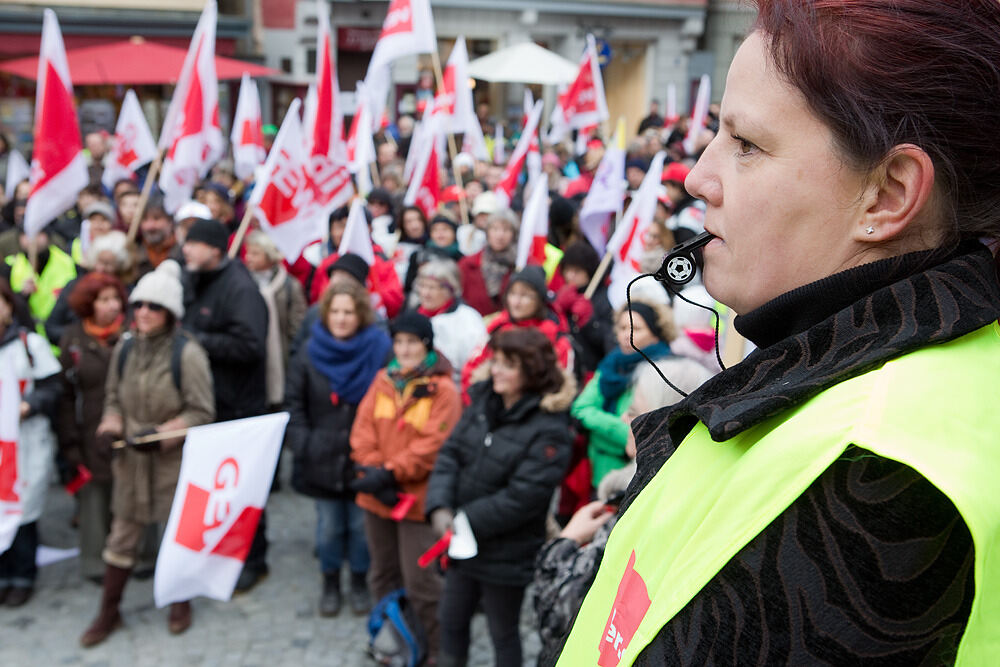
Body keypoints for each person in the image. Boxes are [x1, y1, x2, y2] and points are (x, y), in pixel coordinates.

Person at [557, 2, 1000, 663]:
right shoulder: (917, 374)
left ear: (887, 195)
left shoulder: (872, 477)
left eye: (746, 145)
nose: (697, 176)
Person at [533, 361, 710, 663]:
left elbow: (560, 617)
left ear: (665, 419)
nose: (623, 420)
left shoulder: (638, 506)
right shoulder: (686, 491)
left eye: (633, 412)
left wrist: (566, 540)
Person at [79, 260, 214, 646]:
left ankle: (179, 601)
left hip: (172, 464)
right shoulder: (124, 349)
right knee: (121, 537)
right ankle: (109, 611)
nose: (142, 313)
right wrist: (109, 428)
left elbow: (202, 412)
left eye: (153, 307)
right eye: (138, 305)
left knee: (177, 532)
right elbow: (112, 400)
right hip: (131, 464)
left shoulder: (188, 354)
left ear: (169, 313)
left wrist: (162, 434)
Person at [426, 328, 574, 667]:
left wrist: (466, 519)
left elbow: (526, 496)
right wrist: (439, 506)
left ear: (531, 371)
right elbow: (451, 455)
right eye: (495, 361)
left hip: (507, 550)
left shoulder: (549, 427)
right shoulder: (482, 402)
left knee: (502, 631)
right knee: (451, 620)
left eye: (508, 365)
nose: (496, 370)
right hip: (463, 543)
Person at [350, 311, 462, 658]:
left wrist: (388, 472)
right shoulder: (383, 380)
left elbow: (432, 447)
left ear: (426, 344)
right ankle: (395, 644)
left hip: (417, 502)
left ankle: (434, 655)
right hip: (378, 498)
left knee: (422, 585)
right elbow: (362, 432)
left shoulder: (443, 391)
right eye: (399, 341)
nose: (404, 349)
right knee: (382, 575)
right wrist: (374, 473)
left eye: (412, 342)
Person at [285, 280, 391, 617]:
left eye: (348, 312)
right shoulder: (309, 352)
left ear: (360, 314)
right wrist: (305, 445)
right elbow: (294, 405)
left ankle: (359, 581)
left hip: (364, 459)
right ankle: (330, 582)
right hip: (322, 458)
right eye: (335, 311)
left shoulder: (379, 350)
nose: (342, 319)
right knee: (329, 528)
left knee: (361, 529)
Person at [181, 218, 270, 592]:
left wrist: (196, 341)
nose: (185, 249)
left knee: (241, 488)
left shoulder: (239, 288)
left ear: (214, 250)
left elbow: (251, 346)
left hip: (238, 406)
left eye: (193, 244)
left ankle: (253, 558)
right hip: (210, 403)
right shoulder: (196, 279)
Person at [571, 298, 708, 489]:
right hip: (599, 469)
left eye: (637, 328)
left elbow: (648, 432)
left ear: (656, 331)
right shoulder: (611, 364)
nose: (627, 335)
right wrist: (623, 431)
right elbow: (580, 408)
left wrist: (601, 430)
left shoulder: (664, 373)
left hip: (639, 475)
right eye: (622, 328)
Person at [56, 273, 128, 582]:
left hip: (126, 425)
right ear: (89, 304)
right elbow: (65, 393)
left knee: (129, 491)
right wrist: (69, 440)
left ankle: (135, 555)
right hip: (88, 427)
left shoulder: (130, 334)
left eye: (115, 299)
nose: (113, 306)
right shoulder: (73, 339)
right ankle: (95, 562)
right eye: (104, 300)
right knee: (94, 495)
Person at [0, 279, 62, 607]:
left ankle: (23, 575)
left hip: (25, 443)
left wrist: (29, 405)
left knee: (23, 510)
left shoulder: (29, 344)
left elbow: (53, 387)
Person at [461, 265, 575, 396]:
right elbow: (471, 370)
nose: (516, 302)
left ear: (540, 300)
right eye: (513, 293)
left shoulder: (554, 336)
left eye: (525, 295)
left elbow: (559, 385)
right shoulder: (497, 326)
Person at [243, 230, 307, 410]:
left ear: (269, 255)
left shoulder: (289, 285)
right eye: (248, 252)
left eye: (255, 253)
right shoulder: (242, 284)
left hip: (282, 358)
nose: (249, 258)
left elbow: (297, 326)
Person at [413, 259, 487, 376]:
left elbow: (474, 362)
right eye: (422, 286)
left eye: (432, 288)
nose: (425, 293)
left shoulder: (467, 319)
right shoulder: (414, 315)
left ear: (449, 290)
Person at [458, 209, 518, 317]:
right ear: (487, 232)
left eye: (506, 230)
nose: (500, 235)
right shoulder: (468, 264)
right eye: (495, 229)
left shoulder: (521, 264)